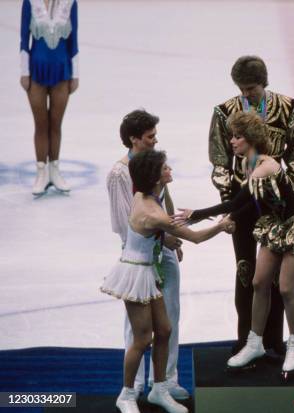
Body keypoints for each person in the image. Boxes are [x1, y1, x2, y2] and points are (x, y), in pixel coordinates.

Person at [175, 111, 294, 377]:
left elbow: (236, 203)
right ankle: (254, 342)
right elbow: (248, 205)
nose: (232, 142)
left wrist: (197, 214)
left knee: (285, 288)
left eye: (237, 137)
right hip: (275, 225)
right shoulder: (250, 165)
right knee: (259, 283)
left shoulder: (266, 167)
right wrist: (225, 219)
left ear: (249, 139)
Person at [101, 150, 234, 413]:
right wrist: (220, 226)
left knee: (164, 330)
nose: (170, 169)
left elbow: (163, 228)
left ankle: (159, 389)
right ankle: (126, 394)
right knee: (141, 339)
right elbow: (194, 238)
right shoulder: (152, 213)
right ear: (154, 177)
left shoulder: (146, 195)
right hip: (135, 274)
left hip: (148, 270)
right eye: (165, 168)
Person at [208, 55, 294, 356]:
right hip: (242, 204)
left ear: (264, 82)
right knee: (246, 272)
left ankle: (275, 341)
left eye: (250, 88)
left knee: (275, 275)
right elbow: (219, 161)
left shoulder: (290, 108)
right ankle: (246, 341)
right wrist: (228, 204)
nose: (245, 94)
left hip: (275, 206)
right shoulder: (225, 111)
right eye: (241, 88)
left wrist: (282, 194)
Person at [106, 110, 189, 400]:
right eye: (150, 136)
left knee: (170, 317)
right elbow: (122, 222)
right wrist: (164, 237)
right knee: (138, 325)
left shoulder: (154, 165)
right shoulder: (120, 173)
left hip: (163, 248)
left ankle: (164, 381)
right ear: (133, 139)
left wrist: (172, 239)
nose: (155, 141)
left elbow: (164, 200)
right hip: (139, 255)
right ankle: (136, 384)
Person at [20, 0, 79, 196]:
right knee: (41, 124)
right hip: (36, 71)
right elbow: (24, 39)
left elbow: (74, 41)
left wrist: (75, 75)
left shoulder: (70, 3)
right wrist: (24, 72)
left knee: (55, 124)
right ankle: (41, 173)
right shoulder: (30, 2)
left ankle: (55, 171)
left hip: (62, 72)